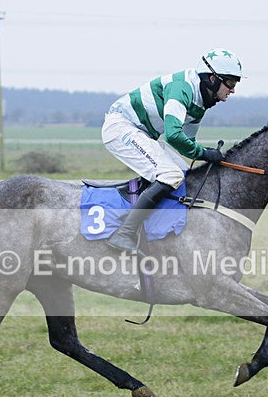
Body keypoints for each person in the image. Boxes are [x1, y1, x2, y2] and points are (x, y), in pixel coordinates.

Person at [101, 47, 244, 252]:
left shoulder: (201, 101)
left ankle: (155, 230)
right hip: (121, 127)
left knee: (183, 175)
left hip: (141, 133)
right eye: (230, 83)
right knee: (170, 175)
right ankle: (124, 233)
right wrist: (204, 153)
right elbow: (173, 136)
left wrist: (208, 153)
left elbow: (188, 143)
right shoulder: (182, 88)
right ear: (212, 79)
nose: (233, 90)